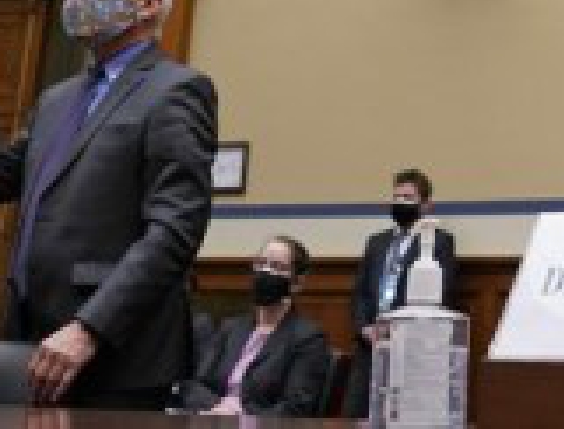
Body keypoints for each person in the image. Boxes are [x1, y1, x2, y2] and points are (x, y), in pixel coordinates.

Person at [0, 0, 218, 408]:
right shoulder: (58, 98)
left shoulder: (178, 90)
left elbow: (175, 229)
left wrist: (91, 327)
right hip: (28, 339)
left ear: (148, 4)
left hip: (114, 354)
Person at [344, 169, 459, 417]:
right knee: (354, 414)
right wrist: (364, 327)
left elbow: (443, 294)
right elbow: (361, 294)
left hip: (411, 350)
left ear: (426, 205)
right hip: (370, 348)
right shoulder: (376, 242)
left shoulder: (440, 242)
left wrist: (397, 327)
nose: (400, 203)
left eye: (408, 198)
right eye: (396, 197)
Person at [180, 236, 330, 417]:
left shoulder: (308, 339)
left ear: (296, 283)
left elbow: (295, 409)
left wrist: (240, 416)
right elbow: (195, 385)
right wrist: (218, 408)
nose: (265, 271)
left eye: (276, 266)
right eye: (261, 263)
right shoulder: (231, 328)